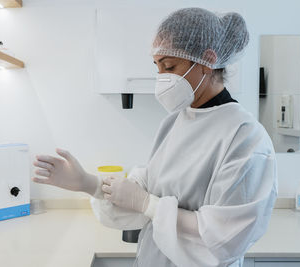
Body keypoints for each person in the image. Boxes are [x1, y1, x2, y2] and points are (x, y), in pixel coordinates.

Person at [32, 7, 278, 267]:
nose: (161, 78)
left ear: (207, 60)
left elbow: (226, 237)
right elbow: (143, 189)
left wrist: (149, 205)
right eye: (158, 66)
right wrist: (88, 183)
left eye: (169, 66)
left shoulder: (244, 136)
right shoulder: (175, 122)